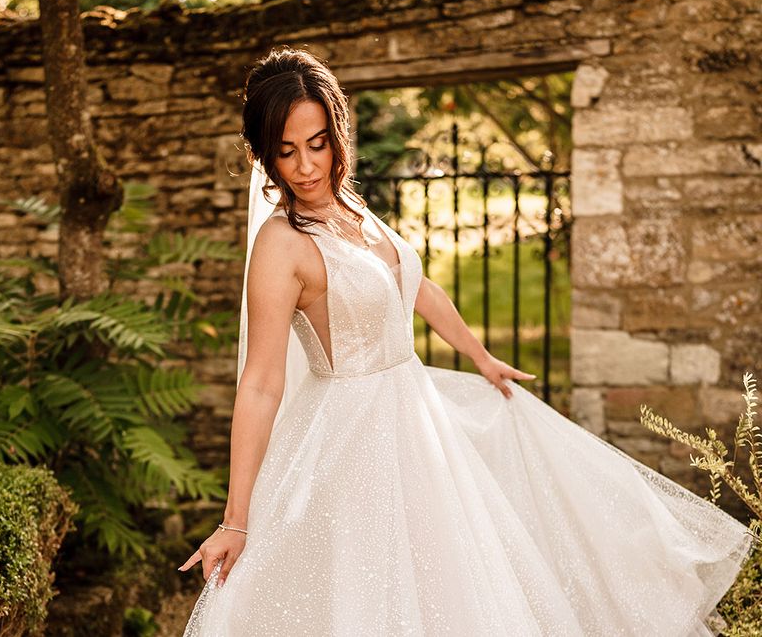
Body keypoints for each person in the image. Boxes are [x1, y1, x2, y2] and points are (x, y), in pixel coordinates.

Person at [179, 46, 754, 636]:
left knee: (453, 582)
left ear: (337, 134)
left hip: (416, 417)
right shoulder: (282, 245)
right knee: (369, 591)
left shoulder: (351, 208)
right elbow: (261, 383)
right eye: (286, 151)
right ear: (265, 156)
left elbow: (416, 286)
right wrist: (236, 519)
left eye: (317, 143)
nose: (304, 166)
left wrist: (481, 358)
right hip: (350, 438)